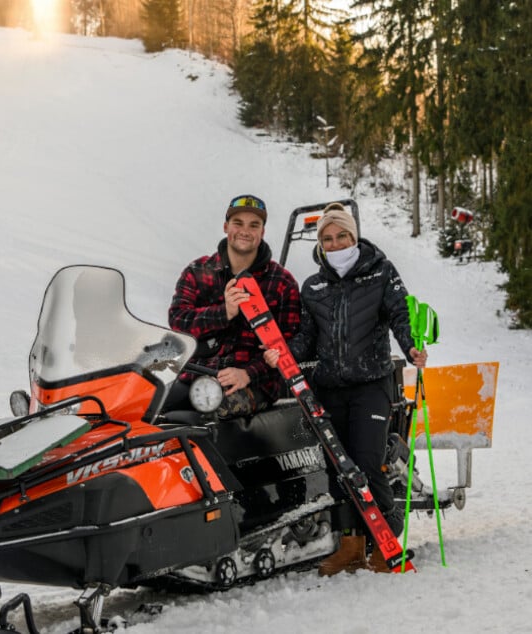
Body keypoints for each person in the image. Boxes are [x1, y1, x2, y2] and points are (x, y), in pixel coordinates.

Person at [264, 202, 428, 576]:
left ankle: (386, 541)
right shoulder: (314, 286)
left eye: (342, 236)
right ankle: (351, 547)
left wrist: (412, 347)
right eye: (327, 239)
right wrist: (282, 353)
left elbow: (401, 315)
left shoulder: (381, 272)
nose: (335, 244)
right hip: (330, 388)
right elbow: (306, 338)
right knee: (338, 468)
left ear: (354, 237)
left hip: (372, 384)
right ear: (320, 245)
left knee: (367, 464)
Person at [166, 194, 301, 418]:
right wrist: (224, 313)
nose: (245, 231)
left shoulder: (282, 282)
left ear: (262, 232)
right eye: (238, 223)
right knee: (149, 407)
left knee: (210, 415)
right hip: (197, 377)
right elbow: (178, 322)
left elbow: (288, 345)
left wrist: (248, 373)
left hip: (253, 383)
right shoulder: (198, 271)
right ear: (226, 227)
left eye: (254, 225)